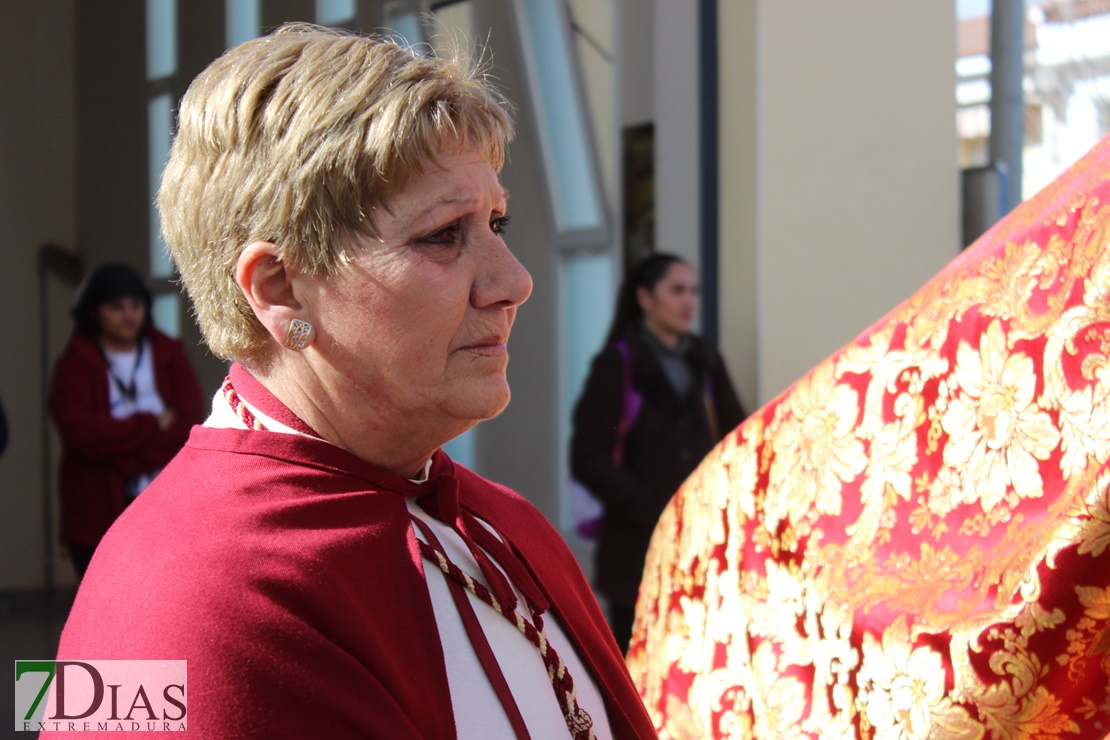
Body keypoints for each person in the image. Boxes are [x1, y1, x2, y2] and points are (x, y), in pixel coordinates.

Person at [47, 24, 655, 739]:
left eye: (498, 221)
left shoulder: (505, 525)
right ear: (280, 289)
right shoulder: (169, 597)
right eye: (443, 234)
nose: (513, 281)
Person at [571, 253, 745, 653]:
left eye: (694, 291)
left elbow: (736, 434)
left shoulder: (705, 359)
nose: (690, 302)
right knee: (639, 669)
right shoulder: (617, 363)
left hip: (703, 544)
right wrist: (649, 505)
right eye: (677, 290)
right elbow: (589, 456)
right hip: (636, 553)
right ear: (646, 297)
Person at [47, 263, 203, 577]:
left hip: (162, 499)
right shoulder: (75, 363)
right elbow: (81, 434)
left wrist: (120, 446)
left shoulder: (168, 353)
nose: (128, 315)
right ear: (94, 312)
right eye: (116, 307)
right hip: (95, 507)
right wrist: (150, 425)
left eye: (135, 305)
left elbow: (189, 423)